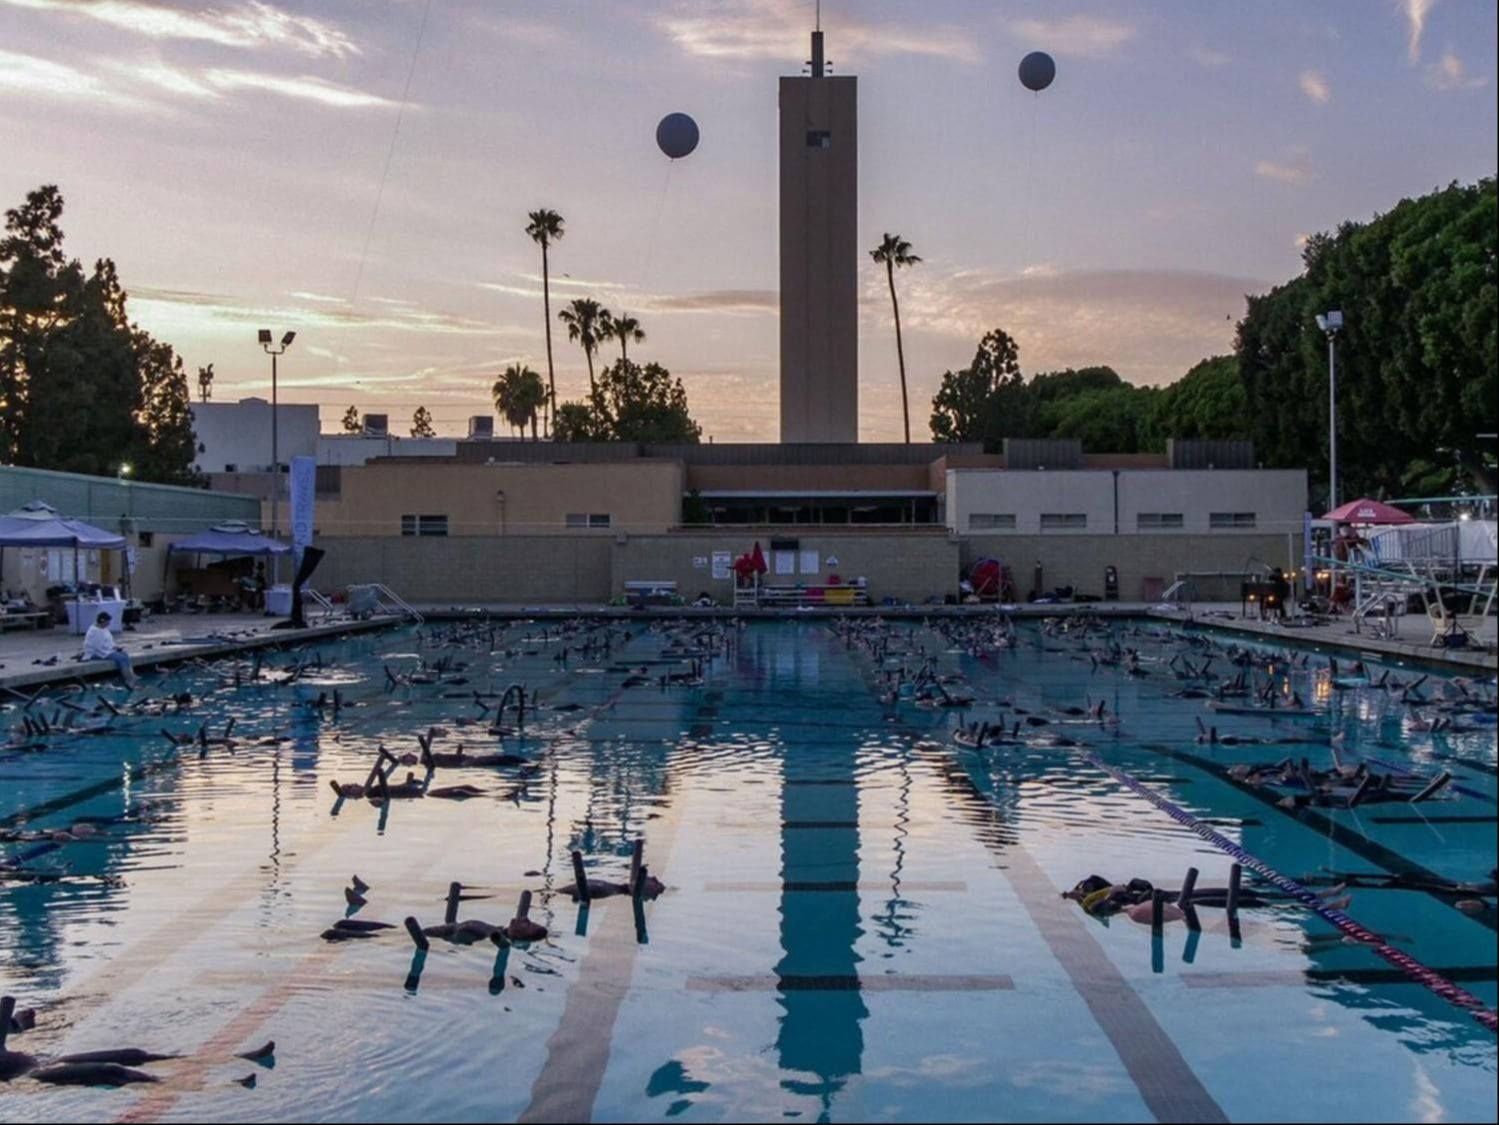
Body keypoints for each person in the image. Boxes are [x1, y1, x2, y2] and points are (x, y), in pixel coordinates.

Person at [81, 612, 138, 689]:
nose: (108, 624)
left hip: (106, 650)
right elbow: (98, 647)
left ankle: (132, 675)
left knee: (124, 654)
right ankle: (128, 679)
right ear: (102, 621)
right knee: (120, 658)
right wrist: (112, 650)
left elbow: (108, 642)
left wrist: (116, 647)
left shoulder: (104, 629)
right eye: (107, 622)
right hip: (96, 653)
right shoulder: (94, 631)